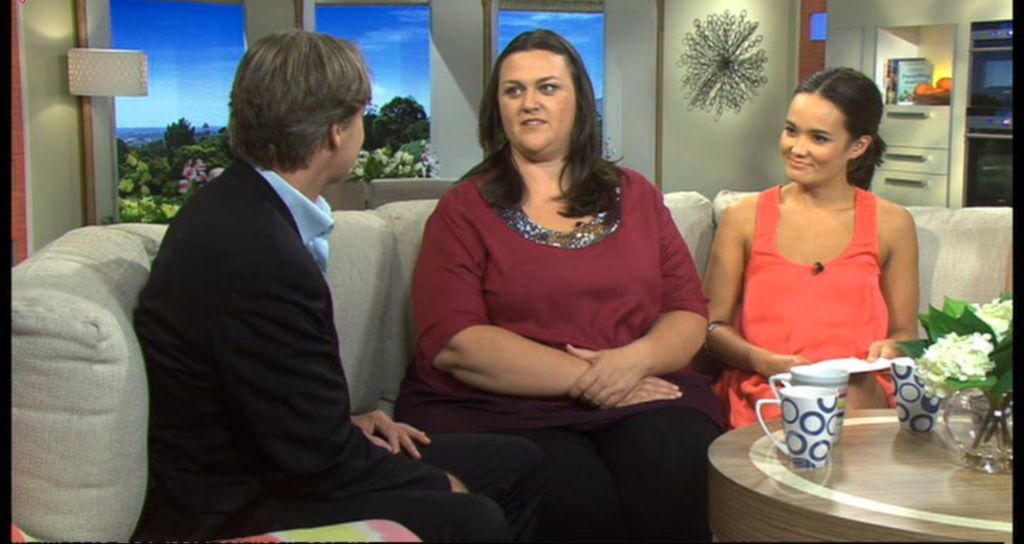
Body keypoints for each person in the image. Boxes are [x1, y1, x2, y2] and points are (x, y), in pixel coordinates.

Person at [130, 30, 542, 543]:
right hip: (236, 499)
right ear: (335, 132)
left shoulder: (243, 205)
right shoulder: (256, 252)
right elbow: (315, 460)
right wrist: (439, 484)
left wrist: (345, 423)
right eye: (361, 115)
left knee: (515, 463)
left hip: (278, 457)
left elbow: (279, 402)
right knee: (473, 515)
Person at [394, 29, 724, 543]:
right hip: (503, 407)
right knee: (579, 497)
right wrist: (594, 379)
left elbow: (685, 310)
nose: (530, 102)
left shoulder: (637, 195)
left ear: (580, 103)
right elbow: (455, 342)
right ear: (498, 108)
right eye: (514, 90)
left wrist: (632, 363)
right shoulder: (463, 209)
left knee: (678, 455)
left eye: (547, 87)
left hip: (640, 390)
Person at [702, 67, 920, 429]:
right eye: (791, 130)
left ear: (858, 146)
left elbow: (904, 332)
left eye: (818, 138)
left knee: (853, 409)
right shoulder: (743, 218)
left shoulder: (892, 223)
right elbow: (711, 328)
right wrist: (761, 360)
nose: (797, 148)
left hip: (858, 393)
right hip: (767, 386)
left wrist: (893, 347)